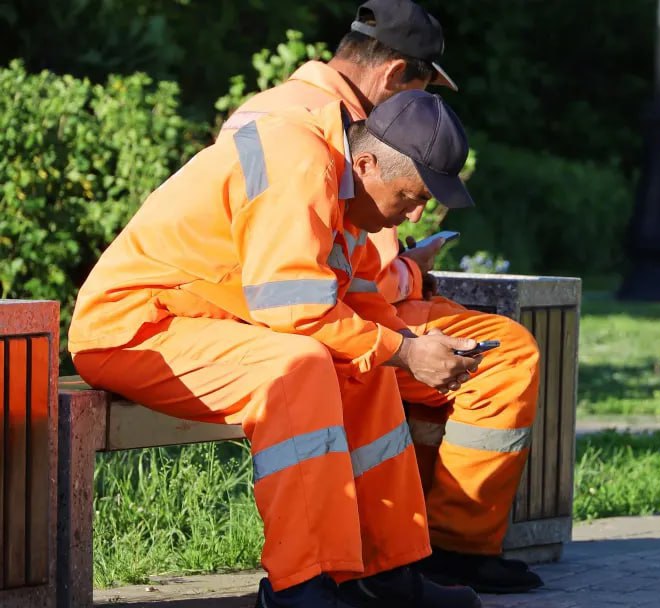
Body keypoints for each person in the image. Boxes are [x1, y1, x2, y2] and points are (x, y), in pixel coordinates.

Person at [69, 91, 483, 608]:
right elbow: (295, 311)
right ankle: (300, 589)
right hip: (133, 329)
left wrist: (412, 344)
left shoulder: (342, 179)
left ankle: (384, 573)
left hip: (198, 324)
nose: (417, 216)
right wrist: (404, 351)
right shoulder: (301, 165)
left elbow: (351, 297)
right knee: (298, 366)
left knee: (367, 368)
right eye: (411, 197)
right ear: (369, 162)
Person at [220, 0, 543, 594]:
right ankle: (378, 566)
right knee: (449, 363)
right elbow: (319, 276)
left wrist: (403, 294)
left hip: (335, 310)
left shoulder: (316, 119)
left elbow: (338, 262)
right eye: (420, 88)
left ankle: (413, 560)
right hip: (295, 324)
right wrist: (406, 315)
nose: (418, 108)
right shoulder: (311, 130)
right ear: (395, 77)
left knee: (479, 356)